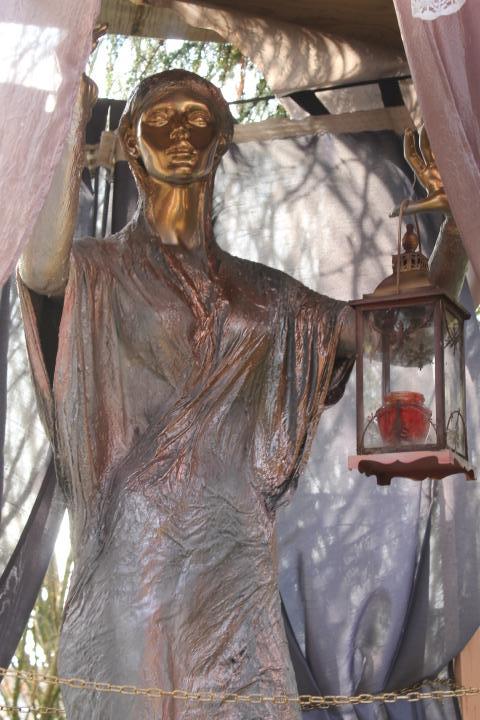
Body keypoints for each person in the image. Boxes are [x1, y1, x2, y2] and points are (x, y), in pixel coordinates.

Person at [18, 69, 466, 719]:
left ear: (223, 138)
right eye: (161, 118)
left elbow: (403, 335)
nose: (180, 133)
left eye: (196, 118)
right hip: (133, 566)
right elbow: (41, 269)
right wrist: (65, 125)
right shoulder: (98, 271)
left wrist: (458, 219)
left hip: (234, 565)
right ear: (130, 140)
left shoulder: (268, 299)